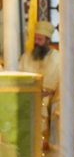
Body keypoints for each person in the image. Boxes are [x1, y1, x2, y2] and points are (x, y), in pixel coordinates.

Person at [19, 21, 60, 149]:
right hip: (29, 94)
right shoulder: (26, 57)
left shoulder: (58, 58)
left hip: (50, 96)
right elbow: (19, 75)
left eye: (40, 39)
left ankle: (47, 142)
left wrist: (48, 93)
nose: (36, 42)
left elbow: (62, 82)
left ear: (48, 41)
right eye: (35, 39)